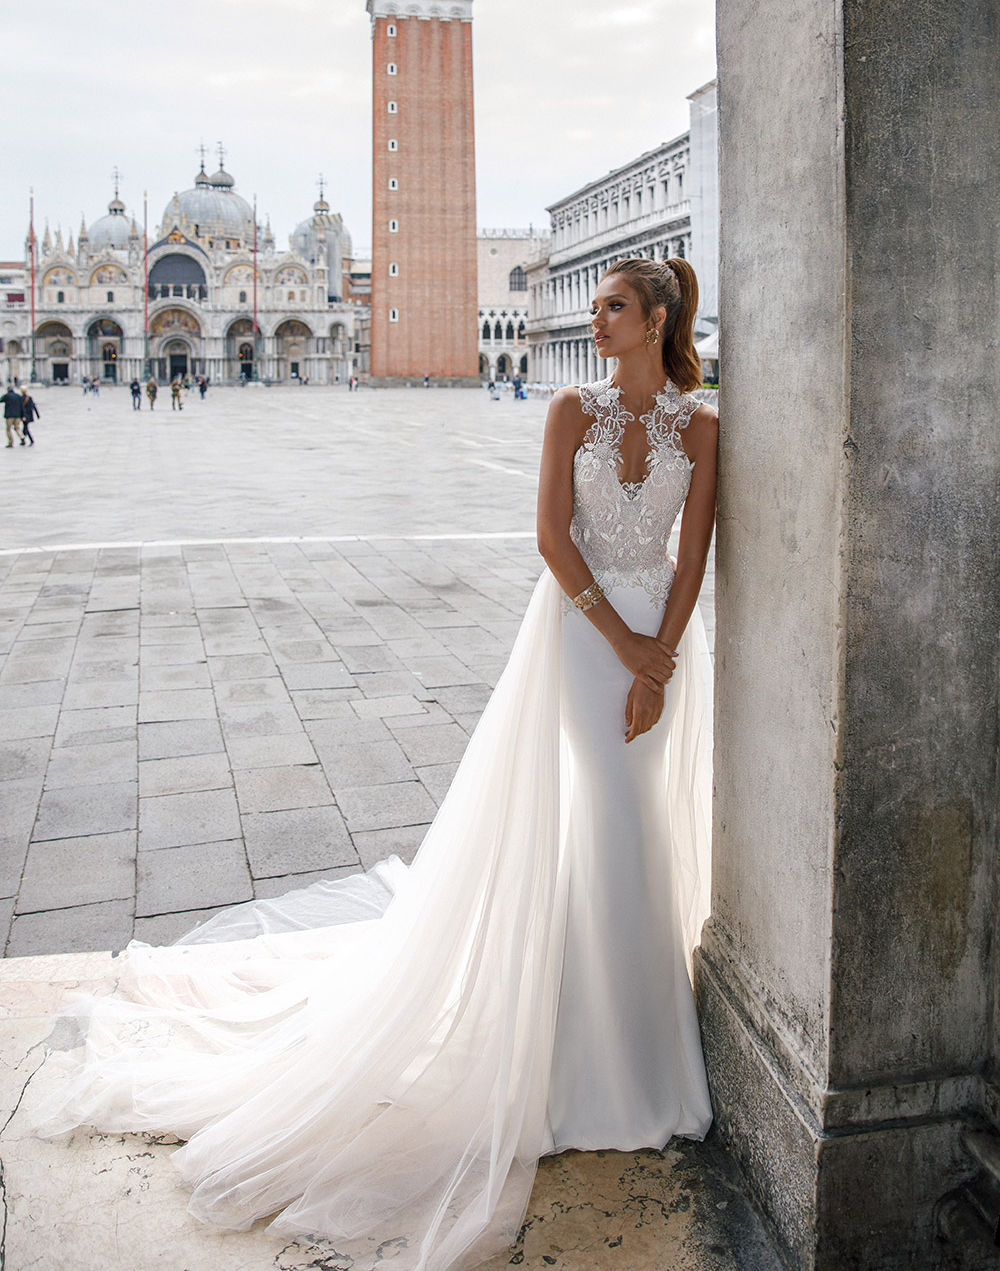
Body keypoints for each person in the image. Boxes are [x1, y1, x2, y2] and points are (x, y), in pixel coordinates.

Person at [33, 257, 717, 1271]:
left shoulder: (700, 425)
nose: (596, 319)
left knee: (639, 827)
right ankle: (592, 1067)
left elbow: (694, 552)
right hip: (583, 638)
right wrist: (624, 647)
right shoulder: (569, 408)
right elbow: (549, 536)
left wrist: (664, 653)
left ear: (655, 318)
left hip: (663, 638)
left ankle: (632, 1050)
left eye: (613, 307)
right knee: (616, 819)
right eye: (597, 306)